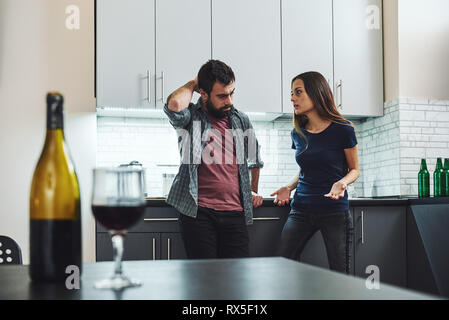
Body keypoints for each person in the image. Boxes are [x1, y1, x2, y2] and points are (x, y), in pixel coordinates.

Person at [164, 59, 264, 259]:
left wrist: (253, 190)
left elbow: (254, 159)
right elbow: (174, 104)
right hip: (198, 214)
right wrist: (194, 83)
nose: (229, 101)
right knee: (203, 279)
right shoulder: (190, 117)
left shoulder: (241, 119)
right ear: (203, 93)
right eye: (222, 96)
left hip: (236, 213)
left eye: (232, 93)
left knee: (237, 279)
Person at [271, 71, 359, 274]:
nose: (292, 98)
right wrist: (288, 187)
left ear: (316, 93)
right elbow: (305, 169)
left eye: (298, 92)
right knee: (282, 264)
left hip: (334, 211)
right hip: (301, 208)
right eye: (291, 93)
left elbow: (355, 169)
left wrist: (342, 183)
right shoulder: (298, 133)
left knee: (340, 273)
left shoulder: (343, 129)